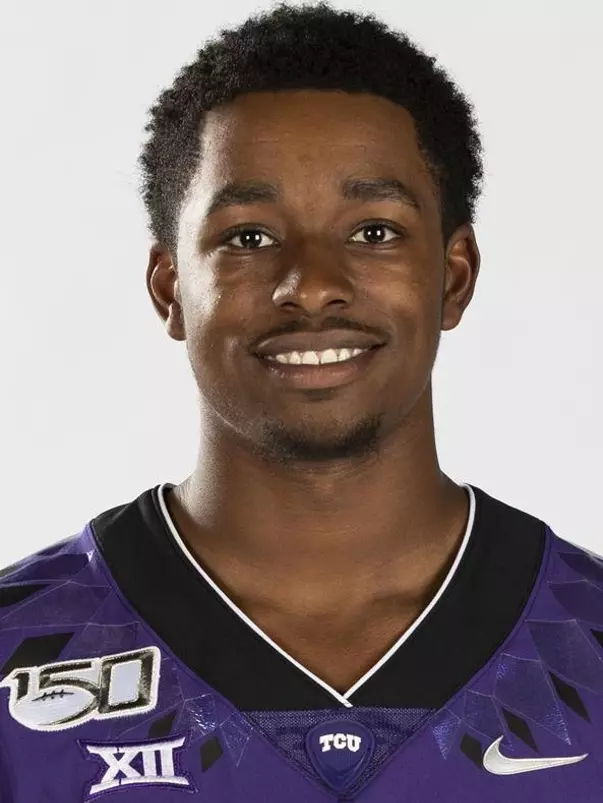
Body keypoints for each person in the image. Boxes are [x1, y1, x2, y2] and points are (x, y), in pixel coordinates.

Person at [1, 2, 601, 800]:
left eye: (374, 232)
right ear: (170, 287)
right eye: (248, 236)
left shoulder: (587, 640)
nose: (312, 284)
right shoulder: (17, 661)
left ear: (452, 276)